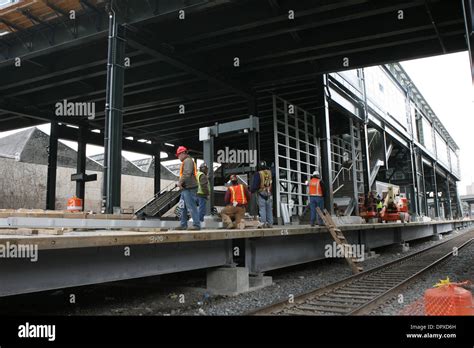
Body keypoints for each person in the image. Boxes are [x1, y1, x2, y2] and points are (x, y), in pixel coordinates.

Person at [175, 146, 200, 230]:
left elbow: (187, 173)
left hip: (190, 188)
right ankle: (183, 225)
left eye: (178, 155)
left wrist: (180, 182)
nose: (178, 157)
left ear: (183, 153)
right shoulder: (186, 161)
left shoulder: (188, 161)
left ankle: (196, 225)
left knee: (191, 206)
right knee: (182, 206)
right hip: (185, 188)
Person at [250, 161, 273, 228]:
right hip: (268, 193)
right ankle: (270, 224)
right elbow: (271, 181)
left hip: (261, 193)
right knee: (269, 209)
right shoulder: (269, 172)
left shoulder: (258, 174)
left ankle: (263, 223)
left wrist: (251, 191)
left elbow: (255, 185)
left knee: (262, 209)